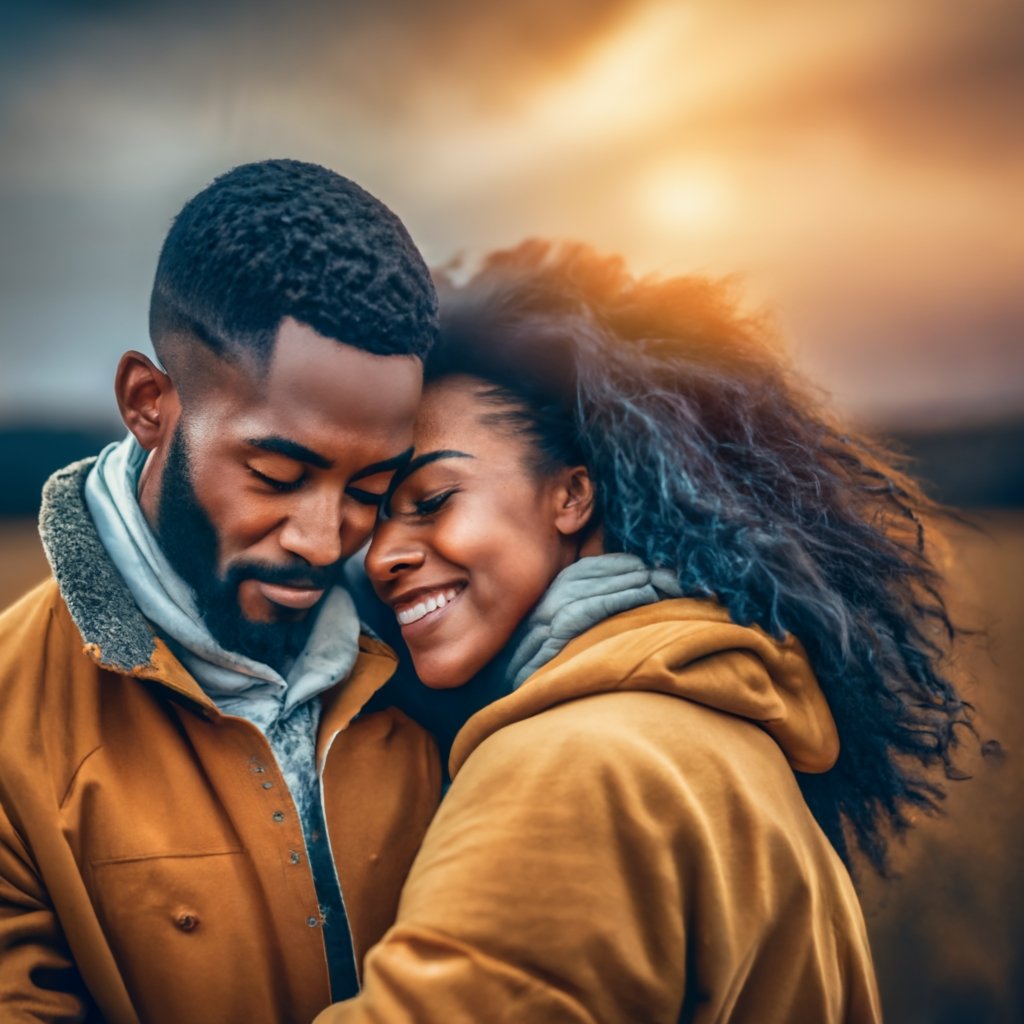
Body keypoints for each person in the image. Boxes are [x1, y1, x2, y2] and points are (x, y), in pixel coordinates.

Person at [318, 241, 969, 1023]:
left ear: (572, 496)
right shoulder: (726, 730)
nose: (383, 555)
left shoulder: (578, 764)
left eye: (431, 500)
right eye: (375, 514)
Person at [0, 159, 443, 1023]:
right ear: (148, 402)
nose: (326, 541)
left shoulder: (438, 648)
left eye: (369, 489)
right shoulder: (11, 723)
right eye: (277, 473)